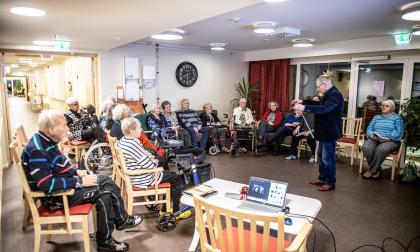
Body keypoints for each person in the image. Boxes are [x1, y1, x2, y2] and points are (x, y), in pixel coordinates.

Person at [22, 110, 142, 251]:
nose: (67, 129)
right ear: (51, 129)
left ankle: (110, 233)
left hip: (64, 186)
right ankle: (115, 227)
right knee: (105, 193)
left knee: (104, 182)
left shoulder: (45, 139)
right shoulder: (38, 150)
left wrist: (77, 172)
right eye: (64, 126)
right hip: (57, 197)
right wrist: (78, 182)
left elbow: (60, 162)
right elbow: (46, 184)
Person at [117, 118, 183, 212]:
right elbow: (150, 166)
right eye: (139, 128)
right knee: (176, 178)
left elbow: (142, 156)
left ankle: (166, 207)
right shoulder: (133, 145)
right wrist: (154, 161)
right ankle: (176, 210)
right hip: (143, 179)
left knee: (170, 174)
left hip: (135, 176)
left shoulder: (123, 141)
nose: (141, 130)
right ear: (132, 131)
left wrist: (149, 157)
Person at [293, 74, 344, 191]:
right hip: (323, 131)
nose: (317, 89)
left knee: (328, 158)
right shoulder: (328, 94)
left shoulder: (335, 95)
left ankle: (330, 182)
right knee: (321, 156)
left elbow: (324, 109)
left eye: (318, 87)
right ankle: (322, 178)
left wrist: (304, 108)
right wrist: (303, 101)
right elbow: (319, 103)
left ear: (324, 84)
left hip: (329, 131)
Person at [110, 104, 168, 170]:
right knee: (163, 160)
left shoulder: (117, 125)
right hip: (133, 162)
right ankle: (162, 175)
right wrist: (147, 155)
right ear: (123, 115)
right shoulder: (124, 128)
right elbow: (134, 148)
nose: (130, 115)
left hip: (127, 158)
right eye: (128, 114)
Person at [362, 100, 404, 179]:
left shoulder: (397, 118)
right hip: (375, 138)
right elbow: (369, 129)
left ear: (392, 108)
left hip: (391, 140)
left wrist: (389, 138)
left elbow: (399, 131)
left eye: (386, 106)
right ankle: (377, 169)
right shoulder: (376, 117)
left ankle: (371, 171)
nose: (384, 107)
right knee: (366, 147)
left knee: (380, 149)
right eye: (383, 105)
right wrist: (371, 136)